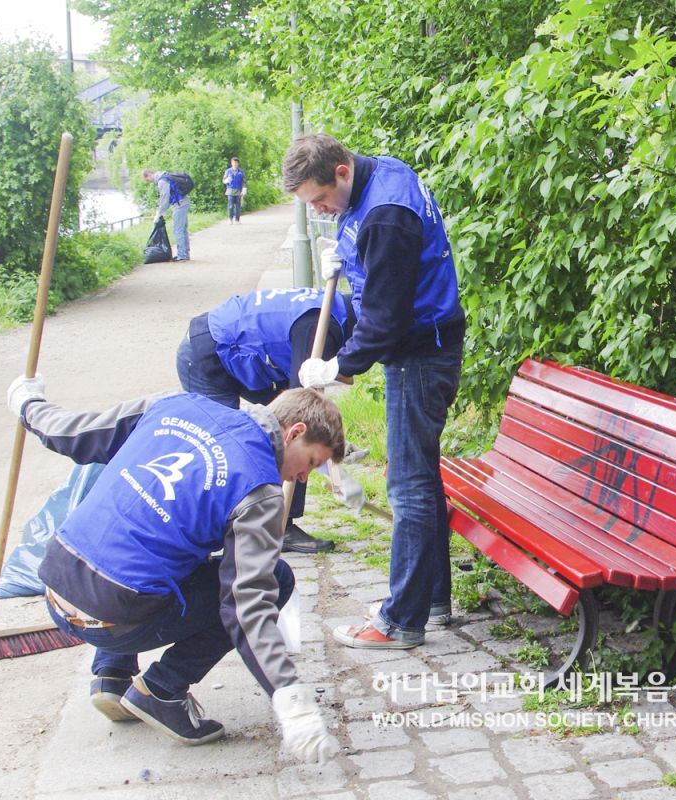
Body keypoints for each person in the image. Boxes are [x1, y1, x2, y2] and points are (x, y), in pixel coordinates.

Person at [8, 376, 342, 761]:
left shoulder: (174, 405)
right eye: (311, 463)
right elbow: (246, 604)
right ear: (294, 431)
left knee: (168, 532)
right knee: (276, 577)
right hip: (114, 618)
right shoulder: (259, 492)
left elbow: (74, 434)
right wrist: (289, 695)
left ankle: (111, 675)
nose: (302, 478)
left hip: (58, 585)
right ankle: (163, 692)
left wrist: (28, 402)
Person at [282, 132, 464, 650]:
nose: (320, 210)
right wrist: (343, 249)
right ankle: (429, 600)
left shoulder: (385, 212)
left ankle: (399, 622)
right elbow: (372, 254)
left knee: (407, 487)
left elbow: (385, 318)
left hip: (419, 356)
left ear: (341, 170)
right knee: (420, 480)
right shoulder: (375, 175)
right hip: (422, 348)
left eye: (321, 200)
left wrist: (340, 367)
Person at [177, 286, 355, 553]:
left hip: (247, 360)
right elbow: (302, 411)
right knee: (221, 451)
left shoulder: (334, 311)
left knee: (279, 431)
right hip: (208, 355)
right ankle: (211, 533)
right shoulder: (320, 326)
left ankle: (282, 523)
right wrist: (338, 476)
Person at [143, 169, 190, 261]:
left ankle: (182, 255)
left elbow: (164, 198)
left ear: (148, 175)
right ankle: (185, 253)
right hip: (183, 203)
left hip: (179, 205)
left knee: (177, 230)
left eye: (147, 180)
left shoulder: (162, 181)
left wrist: (160, 214)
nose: (149, 182)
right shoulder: (166, 176)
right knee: (183, 230)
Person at [223, 157, 246, 224]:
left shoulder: (241, 171)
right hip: (230, 190)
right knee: (230, 206)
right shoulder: (228, 171)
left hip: (238, 190)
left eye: (236, 163)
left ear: (238, 163)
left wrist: (244, 189)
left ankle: (237, 220)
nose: (235, 164)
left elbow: (244, 181)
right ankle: (230, 219)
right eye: (233, 163)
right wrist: (226, 180)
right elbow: (223, 180)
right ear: (231, 163)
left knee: (238, 206)